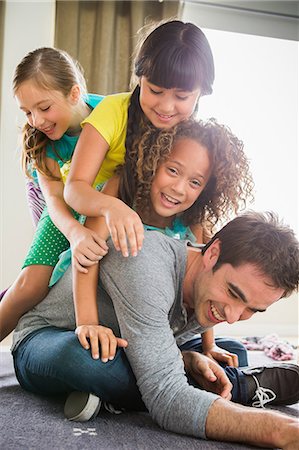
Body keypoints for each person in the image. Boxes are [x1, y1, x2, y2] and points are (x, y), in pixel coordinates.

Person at [12, 211, 299, 448]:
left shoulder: (210, 294)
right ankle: (240, 388)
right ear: (213, 253)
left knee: (231, 353)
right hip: (50, 337)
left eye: (253, 309)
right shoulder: (144, 260)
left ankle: (117, 395)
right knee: (88, 362)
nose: (233, 316)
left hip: (132, 340)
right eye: (233, 293)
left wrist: (184, 358)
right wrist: (281, 431)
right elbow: (167, 397)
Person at [52, 118, 253, 367]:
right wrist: (89, 323)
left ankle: (199, 372)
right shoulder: (121, 191)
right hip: (103, 315)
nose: (179, 189)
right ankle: (177, 371)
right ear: (153, 161)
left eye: (195, 182)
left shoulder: (193, 220)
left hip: (152, 328)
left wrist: (209, 346)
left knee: (237, 354)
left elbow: (207, 281)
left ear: (206, 189)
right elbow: (87, 258)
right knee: (95, 359)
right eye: (173, 170)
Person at [63, 19, 215, 258]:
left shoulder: (190, 136)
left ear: (201, 93)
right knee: (33, 280)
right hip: (75, 205)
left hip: (123, 212)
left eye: (182, 96)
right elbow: (74, 189)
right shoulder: (113, 111)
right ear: (139, 78)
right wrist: (110, 206)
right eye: (155, 91)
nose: (166, 106)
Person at [0, 47, 106, 341]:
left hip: (96, 194)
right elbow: (55, 204)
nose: (37, 120)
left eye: (44, 108)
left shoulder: (108, 114)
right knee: (33, 283)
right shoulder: (42, 143)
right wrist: (74, 234)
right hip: (51, 197)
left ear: (74, 94)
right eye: (27, 112)